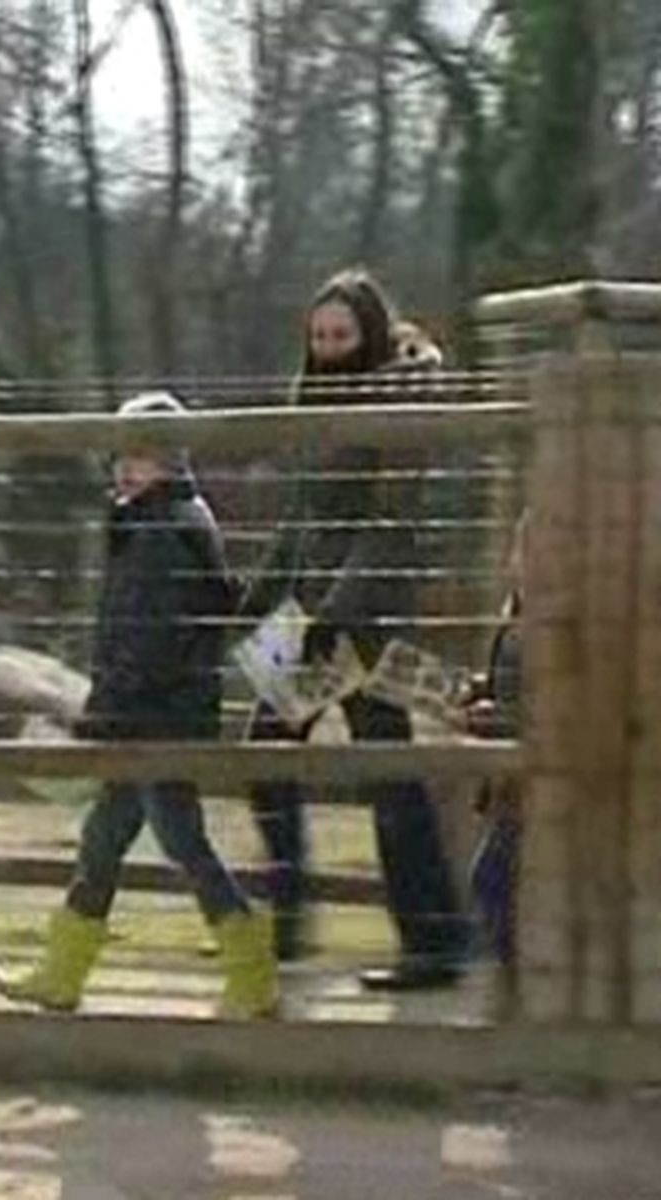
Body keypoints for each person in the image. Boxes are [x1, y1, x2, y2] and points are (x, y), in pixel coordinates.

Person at [0, 392, 277, 1019]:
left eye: (142, 454)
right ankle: (62, 973)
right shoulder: (156, 521)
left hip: (158, 716)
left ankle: (252, 971)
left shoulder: (163, 531)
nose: (126, 466)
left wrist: (101, 709)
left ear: (170, 459)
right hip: (150, 710)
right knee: (103, 838)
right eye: (122, 452)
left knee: (180, 839)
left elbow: (152, 639)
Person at [241, 267, 469, 989]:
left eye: (341, 335)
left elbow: (387, 523)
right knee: (271, 755)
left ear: (367, 335)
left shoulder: (394, 403)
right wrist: (251, 604)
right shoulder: (311, 401)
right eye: (318, 336)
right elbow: (301, 520)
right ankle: (296, 917)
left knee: (386, 774)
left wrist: (330, 614)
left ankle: (429, 943)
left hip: (361, 621)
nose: (328, 347)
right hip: (316, 616)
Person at [465, 513, 524, 976]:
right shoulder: (516, 614)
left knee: (491, 881)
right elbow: (512, 683)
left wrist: (497, 715)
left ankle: (519, 979)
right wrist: (481, 689)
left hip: (534, 781)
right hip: (512, 778)